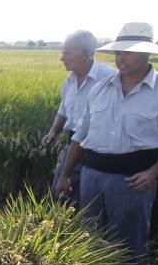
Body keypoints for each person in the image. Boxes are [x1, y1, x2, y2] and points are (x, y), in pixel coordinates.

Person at [55, 22, 158, 265]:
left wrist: (153, 173)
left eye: (127, 52)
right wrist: (66, 175)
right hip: (91, 176)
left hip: (132, 180)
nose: (120, 59)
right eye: (118, 53)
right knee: (89, 238)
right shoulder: (100, 89)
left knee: (126, 244)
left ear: (145, 53)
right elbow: (80, 136)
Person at [40, 30, 117, 207]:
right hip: (73, 145)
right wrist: (53, 131)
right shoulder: (69, 81)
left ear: (84, 53)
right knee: (59, 194)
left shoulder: (109, 79)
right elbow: (64, 110)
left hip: (98, 148)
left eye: (67, 53)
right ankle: (62, 231)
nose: (62, 58)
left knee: (85, 200)